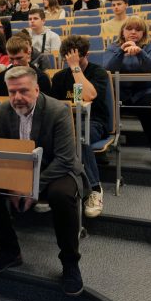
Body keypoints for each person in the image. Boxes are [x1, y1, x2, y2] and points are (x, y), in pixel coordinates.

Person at [0, 67, 86, 296]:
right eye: (12, 92)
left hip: (56, 170)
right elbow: (2, 151)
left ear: (37, 89)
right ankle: (10, 250)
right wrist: (12, 183)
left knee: (63, 195)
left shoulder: (57, 110)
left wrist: (31, 188)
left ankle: (70, 262)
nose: (17, 97)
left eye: (23, 91)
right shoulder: (3, 110)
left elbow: (64, 159)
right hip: (20, 169)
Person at [50, 37, 110, 218]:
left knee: (78, 135)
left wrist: (76, 68)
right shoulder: (60, 77)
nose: (71, 63)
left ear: (86, 55)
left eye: (75, 59)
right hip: (68, 122)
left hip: (94, 122)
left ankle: (94, 189)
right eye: (68, 60)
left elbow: (89, 95)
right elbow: (55, 105)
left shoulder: (98, 72)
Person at [105, 17, 151, 168]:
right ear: (123, 31)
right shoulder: (113, 47)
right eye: (129, 29)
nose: (133, 32)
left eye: (138, 29)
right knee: (103, 104)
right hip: (122, 92)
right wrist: (121, 52)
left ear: (144, 33)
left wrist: (140, 53)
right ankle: (103, 148)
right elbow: (107, 68)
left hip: (148, 90)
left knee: (148, 106)